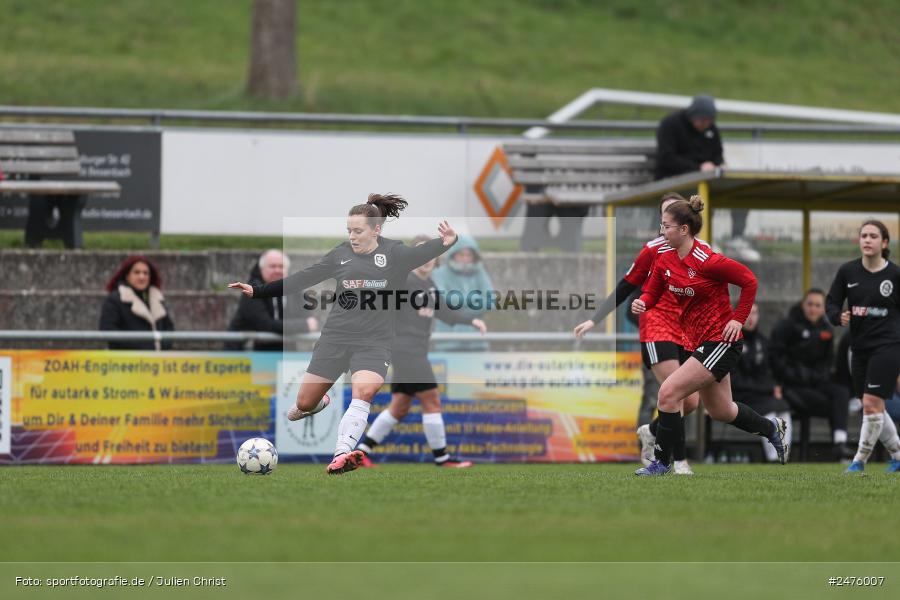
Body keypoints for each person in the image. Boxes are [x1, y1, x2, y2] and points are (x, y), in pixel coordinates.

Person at [229, 194, 458, 475]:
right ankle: (317, 402)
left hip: (374, 342)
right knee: (303, 403)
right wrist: (258, 291)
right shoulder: (340, 255)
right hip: (335, 338)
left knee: (365, 390)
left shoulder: (395, 254)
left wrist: (448, 241)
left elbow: (423, 253)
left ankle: (342, 454)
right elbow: (304, 277)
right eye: (349, 230)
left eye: (358, 230)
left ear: (376, 230)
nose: (352, 236)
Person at [631, 195, 787, 476]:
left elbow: (749, 281)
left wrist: (738, 320)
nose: (661, 231)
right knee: (721, 411)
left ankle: (662, 463)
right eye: (661, 225)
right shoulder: (665, 259)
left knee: (668, 392)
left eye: (666, 226)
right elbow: (652, 291)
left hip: (720, 341)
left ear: (684, 230)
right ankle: (771, 428)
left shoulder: (707, 260)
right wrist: (643, 301)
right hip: (697, 342)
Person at [574, 191, 701, 475]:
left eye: (673, 217)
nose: (666, 224)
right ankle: (678, 461)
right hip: (656, 326)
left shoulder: (697, 251)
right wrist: (594, 320)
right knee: (677, 394)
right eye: (664, 218)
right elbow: (625, 285)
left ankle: (651, 431)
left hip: (685, 330)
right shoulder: (652, 250)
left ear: (686, 223)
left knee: (692, 401)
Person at [357, 235, 487, 468]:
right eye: (421, 252)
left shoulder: (429, 285)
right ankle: (443, 458)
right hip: (406, 351)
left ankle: (361, 452)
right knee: (432, 400)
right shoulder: (402, 280)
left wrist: (472, 320)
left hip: (412, 351)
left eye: (431, 254)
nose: (426, 258)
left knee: (399, 407)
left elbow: (446, 312)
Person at [826, 220, 900, 473]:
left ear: (884, 243)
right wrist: (838, 316)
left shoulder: (895, 275)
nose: (867, 240)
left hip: (888, 347)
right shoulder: (848, 272)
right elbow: (832, 302)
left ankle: (859, 461)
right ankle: (898, 456)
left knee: (870, 403)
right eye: (864, 236)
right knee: (873, 406)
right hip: (859, 348)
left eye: (873, 236)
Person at [655, 94, 759, 262]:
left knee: (739, 191)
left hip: (706, 180)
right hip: (674, 179)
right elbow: (666, 158)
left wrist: (720, 165)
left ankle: (736, 237)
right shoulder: (671, 124)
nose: (705, 125)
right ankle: (700, 238)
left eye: (709, 120)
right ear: (692, 116)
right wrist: (697, 168)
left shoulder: (711, 129)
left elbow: (717, 155)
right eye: (702, 120)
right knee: (698, 195)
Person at [769, 289, 853, 459]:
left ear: (823, 309)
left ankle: (839, 442)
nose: (813, 309)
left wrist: (816, 376)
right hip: (791, 386)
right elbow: (777, 361)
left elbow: (827, 363)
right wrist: (801, 375)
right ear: (803, 305)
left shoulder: (826, 330)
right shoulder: (786, 326)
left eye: (817, 305)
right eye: (810, 304)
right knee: (834, 405)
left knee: (842, 392)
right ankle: (836, 453)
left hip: (815, 384)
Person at [731, 303, 793, 462]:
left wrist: (774, 386)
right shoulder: (730, 341)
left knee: (783, 407)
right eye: (747, 313)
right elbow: (734, 379)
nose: (751, 318)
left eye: (755, 313)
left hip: (761, 394)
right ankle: (774, 458)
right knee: (769, 410)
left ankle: (783, 456)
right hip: (740, 395)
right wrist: (766, 388)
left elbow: (769, 372)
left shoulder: (763, 342)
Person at [226, 249, 319, 351]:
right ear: (261, 269)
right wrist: (304, 325)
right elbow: (265, 324)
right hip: (244, 357)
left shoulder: (294, 290)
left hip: (284, 355)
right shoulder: (252, 291)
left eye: (281, 266)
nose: (277, 270)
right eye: (272, 266)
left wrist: (307, 323)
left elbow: (308, 316)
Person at [431, 234, 493, 352]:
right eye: (461, 255)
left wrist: (457, 305)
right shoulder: (440, 273)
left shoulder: (480, 273)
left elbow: (491, 301)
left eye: (468, 255)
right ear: (453, 255)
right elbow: (442, 301)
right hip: (448, 343)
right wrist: (475, 300)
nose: (465, 259)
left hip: (477, 342)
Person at [99, 256, 174, 351]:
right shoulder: (115, 300)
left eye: (146, 273)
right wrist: (141, 347)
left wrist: (162, 346)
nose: (142, 277)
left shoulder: (158, 299)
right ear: (127, 276)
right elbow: (108, 330)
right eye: (136, 272)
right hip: (126, 361)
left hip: (157, 360)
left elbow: (169, 328)